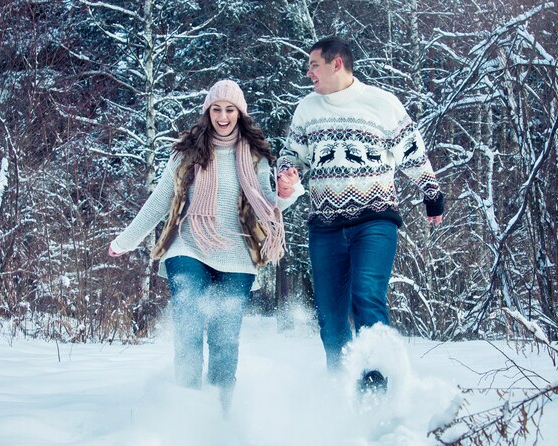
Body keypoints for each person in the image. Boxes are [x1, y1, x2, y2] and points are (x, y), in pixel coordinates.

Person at [108, 79, 300, 413]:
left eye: (229, 109)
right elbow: (159, 202)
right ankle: (187, 410)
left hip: (237, 256)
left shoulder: (256, 158)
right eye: (216, 109)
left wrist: (287, 193)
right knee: (189, 328)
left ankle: (219, 413)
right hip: (188, 249)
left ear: (240, 114)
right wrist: (126, 241)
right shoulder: (186, 153)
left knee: (224, 341)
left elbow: (268, 209)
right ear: (207, 112)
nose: (222, 116)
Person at [277, 37, 444, 384]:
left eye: (314, 65)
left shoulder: (383, 104)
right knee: (331, 316)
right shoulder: (307, 108)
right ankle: (341, 391)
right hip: (324, 226)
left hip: (374, 219)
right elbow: (292, 155)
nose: (309, 73)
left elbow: (413, 152)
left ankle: (378, 388)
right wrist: (287, 174)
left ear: (336, 64)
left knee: (366, 294)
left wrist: (432, 193)